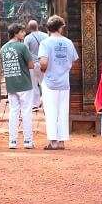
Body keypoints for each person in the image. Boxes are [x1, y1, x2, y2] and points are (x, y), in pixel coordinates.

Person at [38, 15, 78, 150]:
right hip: (64, 81)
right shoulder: (68, 42)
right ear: (61, 28)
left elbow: (43, 62)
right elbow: (73, 60)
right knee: (63, 111)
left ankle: (53, 141)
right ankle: (62, 141)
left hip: (50, 81)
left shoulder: (45, 43)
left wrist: (44, 70)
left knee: (50, 112)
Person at [0, 23, 35, 149]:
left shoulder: (3, 48)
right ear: (16, 33)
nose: (24, 34)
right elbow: (31, 65)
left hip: (11, 83)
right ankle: (28, 141)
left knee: (13, 112)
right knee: (26, 112)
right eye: (21, 32)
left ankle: (12, 141)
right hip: (24, 83)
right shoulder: (22, 47)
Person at [24, 20, 47, 110]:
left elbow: (26, 52)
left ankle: (35, 104)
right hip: (43, 63)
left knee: (33, 84)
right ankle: (45, 102)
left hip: (32, 64)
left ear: (29, 28)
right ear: (38, 26)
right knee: (44, 83)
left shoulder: (27, 38)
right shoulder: (45, 36)